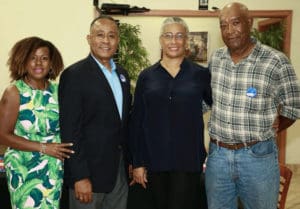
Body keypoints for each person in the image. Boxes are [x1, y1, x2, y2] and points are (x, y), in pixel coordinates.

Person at [205, 2, 300, 209]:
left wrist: (272, 128)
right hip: (218, 157)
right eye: (223, 25)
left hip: (258, 158)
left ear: (250, 23)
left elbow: (294, 107)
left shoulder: (276, 61)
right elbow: (206, 101)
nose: (229, 31)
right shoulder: (216, 59)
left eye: (236, 23)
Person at [129, 17, 212, 209]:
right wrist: (138, 162)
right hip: (153, 161)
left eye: (179, 36)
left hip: (188, 160)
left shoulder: (201, 75)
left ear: (186, 40)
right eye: (168, 36)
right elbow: (137, 121)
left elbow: (218, 105)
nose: (173, 41)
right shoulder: (146, 76)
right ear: (161, 40)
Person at [58, 15, 131, 209]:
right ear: (89, 39)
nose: (106, 41)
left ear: (118, 41)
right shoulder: (74, 75)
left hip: (118, 175)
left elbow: (123, 123)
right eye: (100, 35)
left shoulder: (122, 74)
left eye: (111, 36)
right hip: (88, 177)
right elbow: (70, 130)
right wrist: (79, 176)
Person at [0, 36, 74, 209]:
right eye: (32, 58)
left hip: (53, 167)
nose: (38, 63)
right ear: (23, 61)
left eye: (44, 58)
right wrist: (43, 147)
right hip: (23, 167)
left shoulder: (58, 90)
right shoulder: (14, 92)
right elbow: (2, 135)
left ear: (51, 63)